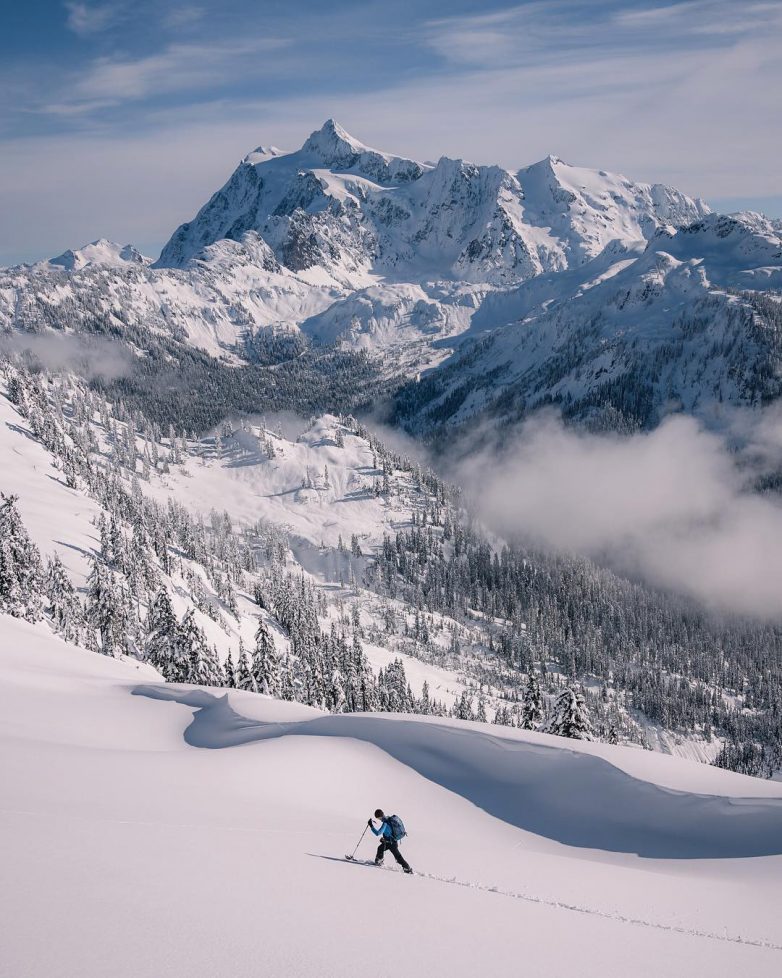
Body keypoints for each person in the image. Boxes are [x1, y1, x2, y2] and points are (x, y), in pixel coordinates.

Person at [368, 809, 413, 873]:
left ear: (379, 817)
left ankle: (407, 868)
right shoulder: (389, 818)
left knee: (398, 857)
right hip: (390, 842)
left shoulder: (385, 823)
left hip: (391, 844)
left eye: (378, 818)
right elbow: (389, 832)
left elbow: (377, 833)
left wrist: (371, 826)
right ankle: (379, 861)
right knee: (380, 848)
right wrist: (384, 839)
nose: (379, 819)